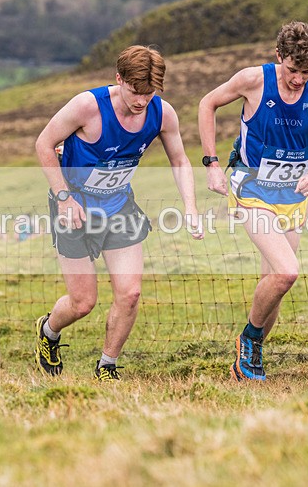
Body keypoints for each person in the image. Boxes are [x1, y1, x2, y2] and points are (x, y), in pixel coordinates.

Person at [34, 45, 203, 380]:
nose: (142, 100)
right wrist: (64, 198)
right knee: (83, 303)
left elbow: (180, 160)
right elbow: (44, 144)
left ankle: (107, 365)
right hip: (75, 209)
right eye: (135, 91)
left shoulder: (162, 113)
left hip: (119, 208)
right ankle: (48, 331)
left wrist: (190, 207)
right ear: (119, 79)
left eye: (149, 93)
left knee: (130, 294)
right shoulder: (87, 106)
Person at [198, 20, 308, 381]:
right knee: (287, 271)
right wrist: (212, 164)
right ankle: (249, 340)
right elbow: (207, 104)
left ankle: (247, 362)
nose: (298, 79)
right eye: (292, 70)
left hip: (292, 195)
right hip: (251, 188)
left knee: (275, 287)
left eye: (306, 72)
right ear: (279, 55)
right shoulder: (253, 80)